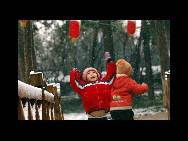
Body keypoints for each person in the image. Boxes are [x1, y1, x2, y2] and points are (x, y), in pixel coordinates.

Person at [70, 52, 116, 120]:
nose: (92, 74)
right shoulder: (83, 87)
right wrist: (74, 72)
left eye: (94, 72)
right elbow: (74, 82)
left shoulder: (105, 83)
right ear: (85, 78)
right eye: (88, 73)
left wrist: (109, 61)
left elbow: (112, 74)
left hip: (106, 116)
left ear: (98, 75)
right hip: (92, 117)